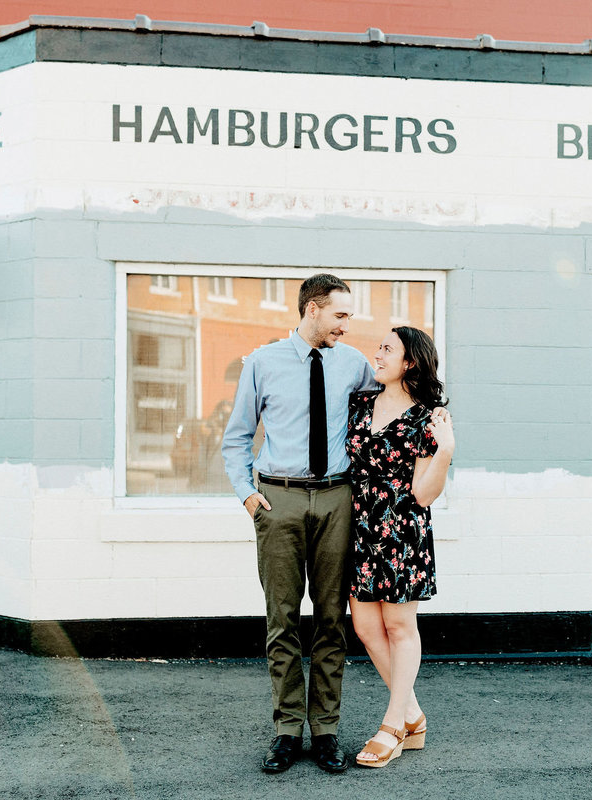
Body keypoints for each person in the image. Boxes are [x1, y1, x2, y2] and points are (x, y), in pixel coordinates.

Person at [222, 274, 377, 774]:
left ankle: (326, 732)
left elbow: (389, 412)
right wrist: (248, 495)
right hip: (279, 502)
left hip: (338, 499)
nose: (346, 326)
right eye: (340, 315)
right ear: (312, 309)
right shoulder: (262, 362)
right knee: (282, 620)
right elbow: (236, 438)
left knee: (332, 619)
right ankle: (288, 731)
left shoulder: (353, 365)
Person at [346, 326, 455, 768]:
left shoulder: (427, 418)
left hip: (400, 531)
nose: (379, 353)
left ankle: (393, 725)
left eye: (388, 348)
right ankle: (412, 713)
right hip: (357, 528)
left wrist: (445, 450)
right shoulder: (359, 402)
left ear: (410, 362)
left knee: (398, 626)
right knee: (366, 627)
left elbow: (424, 494)